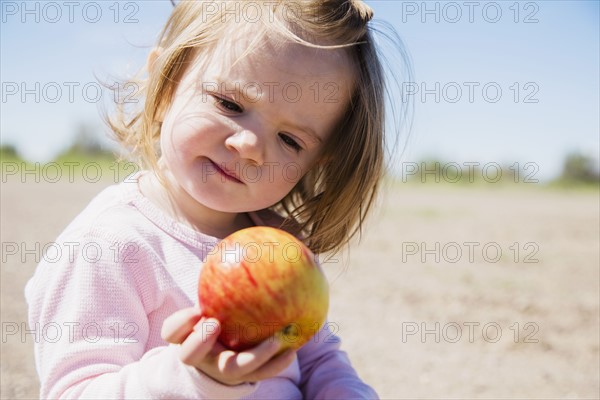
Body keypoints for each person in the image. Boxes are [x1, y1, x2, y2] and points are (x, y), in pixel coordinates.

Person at [26, 0, 409, 398]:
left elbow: (315, 359)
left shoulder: (278, 243)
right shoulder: (109, 242)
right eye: (230, 104)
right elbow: (75, 391)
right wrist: (194, 377)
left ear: (316, 162)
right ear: (166, 86)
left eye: (290, 140)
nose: (249, 146)